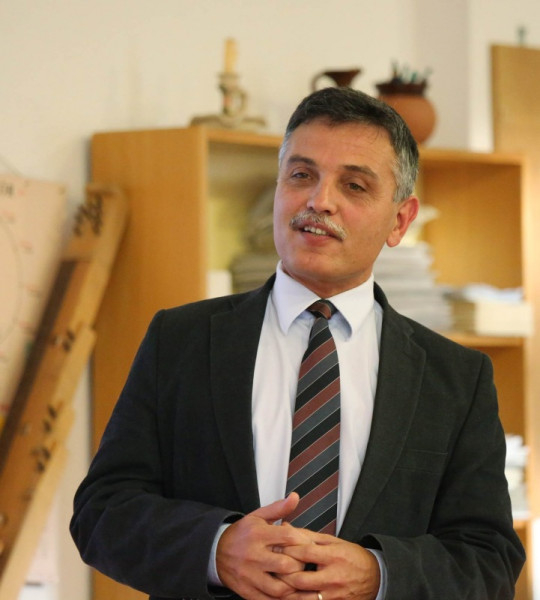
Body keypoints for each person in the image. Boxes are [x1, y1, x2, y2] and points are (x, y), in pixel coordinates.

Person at [70, 87, 525, 600]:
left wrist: (380, 574)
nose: (319, 201)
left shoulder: (456, 378)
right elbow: (102, 512)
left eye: (354, 185)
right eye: (302, 175)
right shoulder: (181, 341)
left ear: (399, 220)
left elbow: (488, 560)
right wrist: (215, 548)